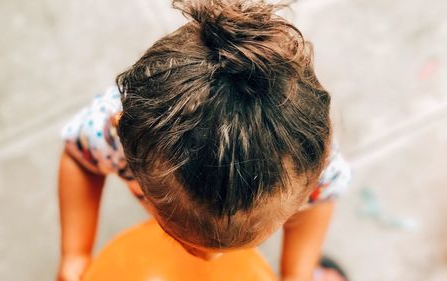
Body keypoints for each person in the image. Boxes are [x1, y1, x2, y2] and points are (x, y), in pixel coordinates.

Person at [56, 1, 351, 281]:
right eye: (186, 242)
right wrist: (76, 252)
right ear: (121, 137)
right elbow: (80, 160)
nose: (211, 260)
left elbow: (319, 202)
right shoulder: (113, 132)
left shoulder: (307, 162)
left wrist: (295, 274)